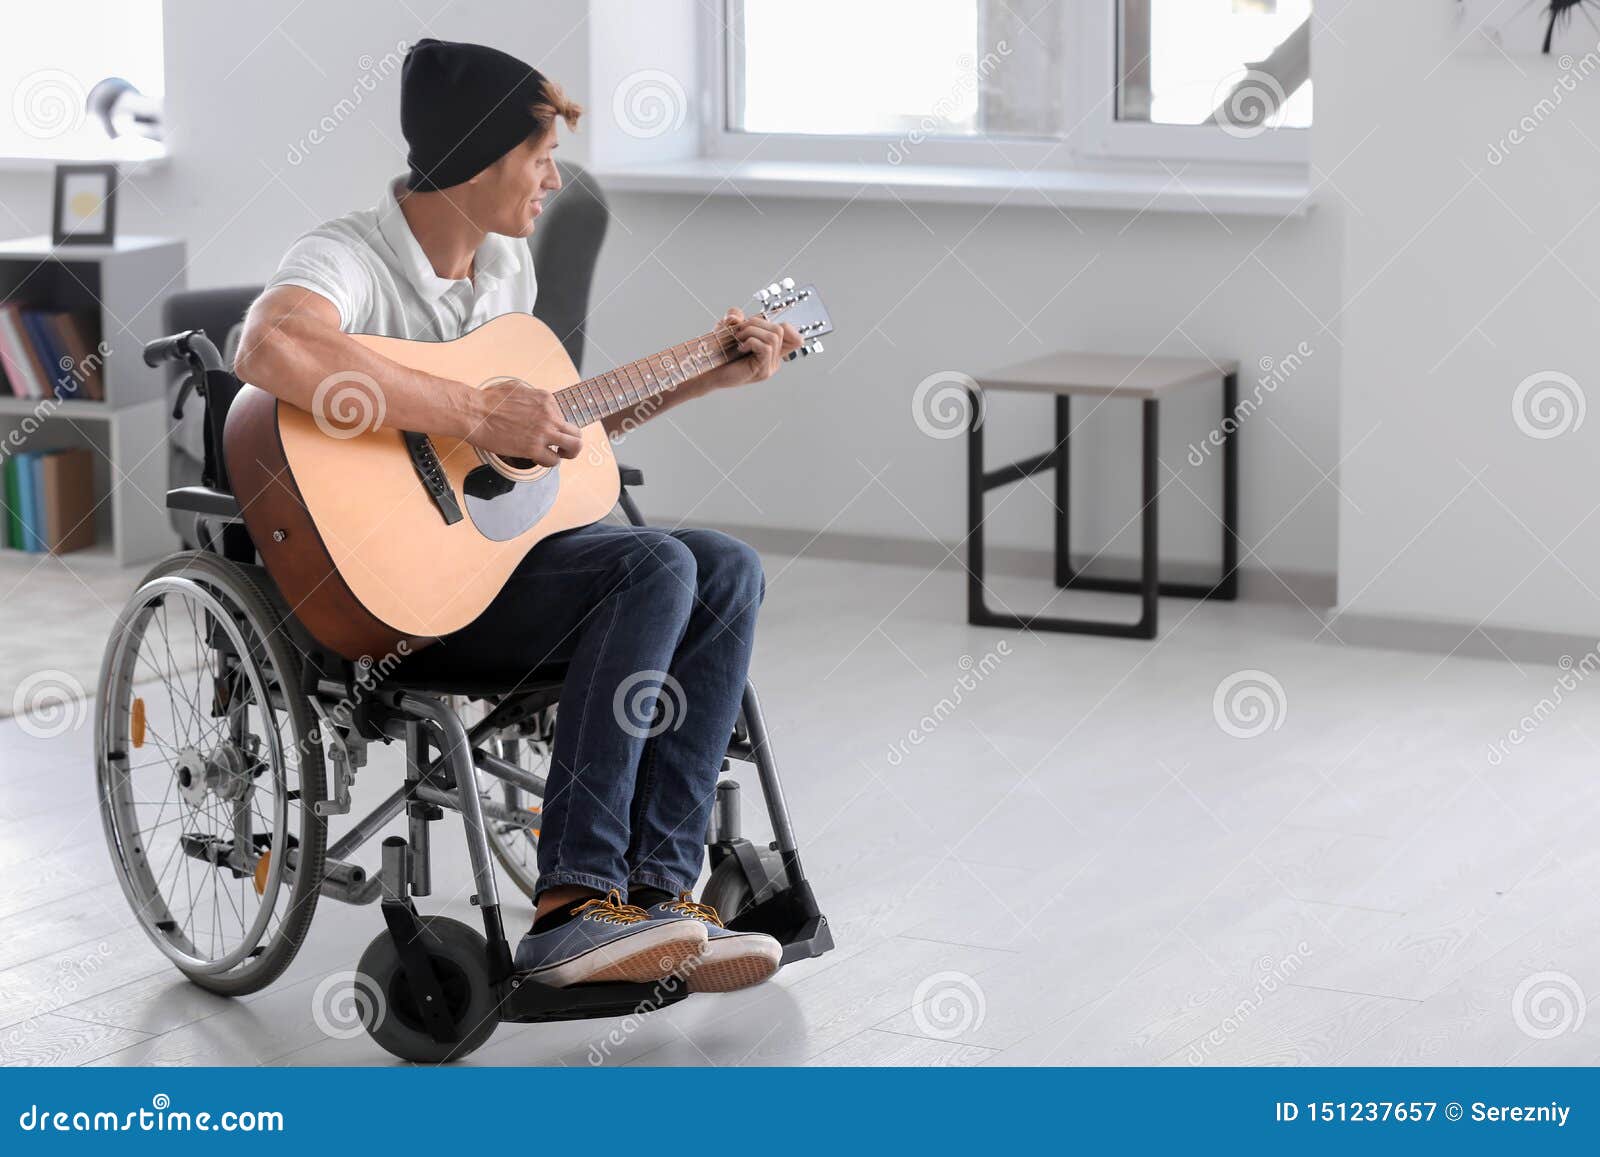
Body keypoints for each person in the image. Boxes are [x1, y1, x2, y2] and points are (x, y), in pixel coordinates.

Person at [233, 38, 801, 993]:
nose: (553, 179)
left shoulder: (507, 271)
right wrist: (469, 410)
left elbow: (548, 438)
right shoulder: (346, 257)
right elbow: (272, 346)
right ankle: (572, 904)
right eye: (540, 156)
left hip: (494, 567)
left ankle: (657, 896)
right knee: (654, 563)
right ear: (479, 158)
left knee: (725, 565)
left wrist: (705, 376)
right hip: (396, 598)